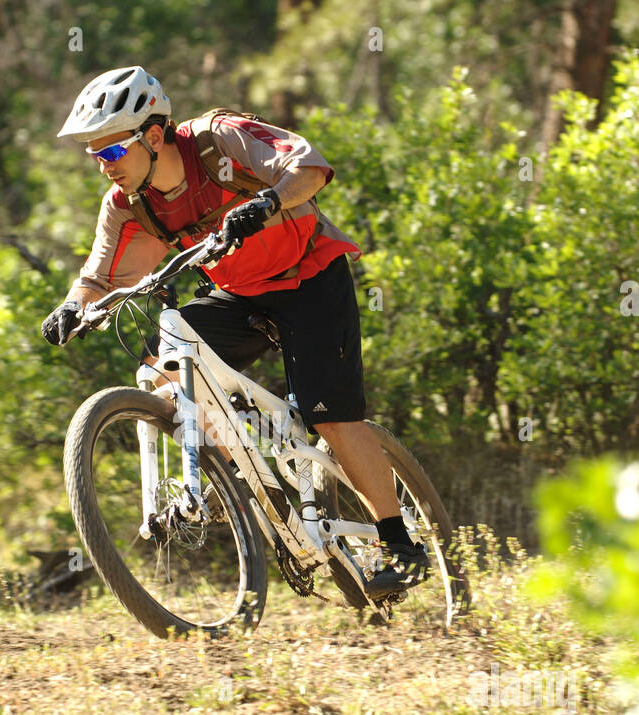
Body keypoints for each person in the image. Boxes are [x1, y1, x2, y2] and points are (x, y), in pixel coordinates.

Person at [42, 65, 426, 597]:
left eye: (110, 153)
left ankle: (399, 544)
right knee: (161, 371)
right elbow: (104, 275)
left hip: (309, 277)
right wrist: (72, 307)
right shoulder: (129, 204)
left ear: (153, 136)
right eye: (94, 157)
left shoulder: (219, 141)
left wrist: (269, 199)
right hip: (240, 294)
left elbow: (309, 168)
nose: (104, 168)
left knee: (331, 418)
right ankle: (226, 482)